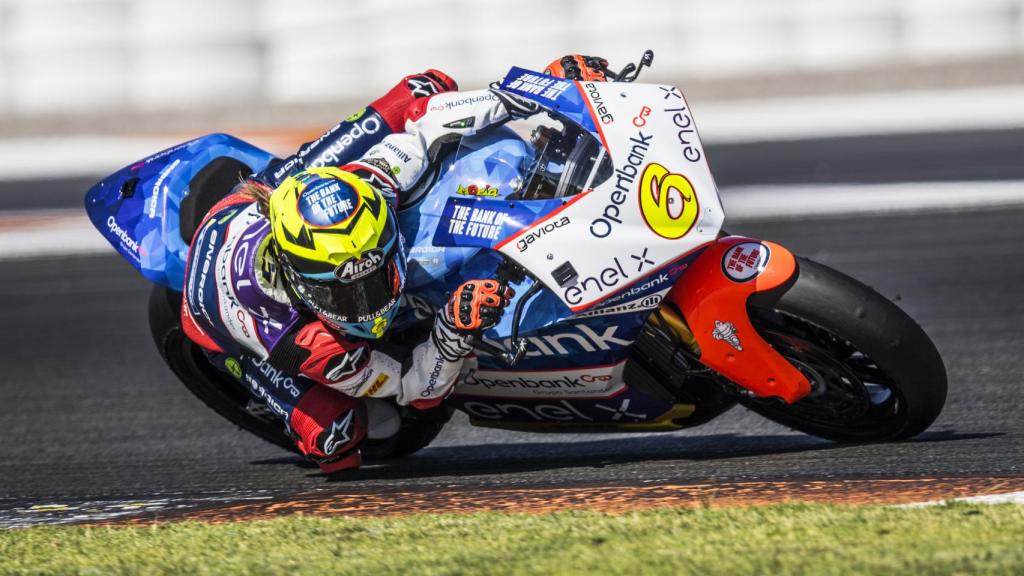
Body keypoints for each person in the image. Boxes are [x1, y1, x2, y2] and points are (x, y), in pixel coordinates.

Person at [180, 56, 614, 474]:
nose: (370, 302)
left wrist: (537, 91)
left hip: (261, 203)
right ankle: (244, 373)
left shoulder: (370, 184)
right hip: (211, 318)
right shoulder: (312, 345)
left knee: (424, 89)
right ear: (302, 283)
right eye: (346, 295)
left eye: (375, 276)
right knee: (336, 442)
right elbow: (413, 388)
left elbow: (428, 127)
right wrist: (452, 332)